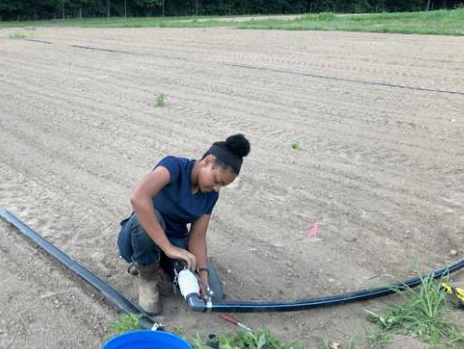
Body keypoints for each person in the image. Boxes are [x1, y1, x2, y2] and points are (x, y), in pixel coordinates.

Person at [117, 134, 250, 315]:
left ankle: (164, 264)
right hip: (139, 238)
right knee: (151, 215)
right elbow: (138, 198)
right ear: (208, 161)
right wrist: (168, 247)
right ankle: (147, 277)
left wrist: (203, 273)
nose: (217, 188)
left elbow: (197, 237)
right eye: (217, 180)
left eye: (223, 186)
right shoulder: (174, 167)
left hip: (174, 244)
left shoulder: (210, 195)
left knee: (213, 295)